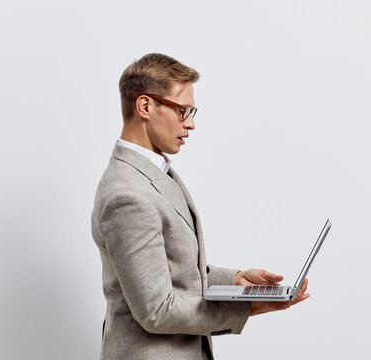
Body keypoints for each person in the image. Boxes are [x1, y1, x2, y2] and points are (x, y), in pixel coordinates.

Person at [91, 53, 310, 360]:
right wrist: (247, 307)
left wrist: (236, 280)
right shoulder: (127, 195)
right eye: (183, 111)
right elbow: (157, 310)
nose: (191, 123)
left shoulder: (153, 171)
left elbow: (174, 270)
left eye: (192, 111)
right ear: (145, 106)